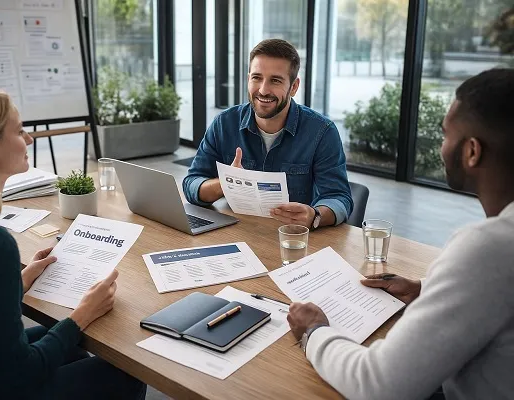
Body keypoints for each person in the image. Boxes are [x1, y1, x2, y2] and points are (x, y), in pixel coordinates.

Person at [287, 68, 514, 400]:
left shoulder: (489, 248)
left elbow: (378, 385)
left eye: (445, 135)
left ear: (472, 152)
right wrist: (427, 291)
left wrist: (315, 330)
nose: (441, 147)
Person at [0, 84, 146, 399]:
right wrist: (82, 315)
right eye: (20, 131)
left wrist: (16, 282)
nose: (29, 140)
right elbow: (17, 377)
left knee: (73, 351)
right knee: (124, 374)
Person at [182, 39, 353, 228]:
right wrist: (225, 183)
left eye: (275, 80)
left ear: (294, 87)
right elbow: (191, 184)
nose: (263, 90)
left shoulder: (322, 132)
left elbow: (339, 198)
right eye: (257, 77)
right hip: (237, 233)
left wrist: (315, 216)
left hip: (293, 240)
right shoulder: (224, 124)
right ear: (248, 79)